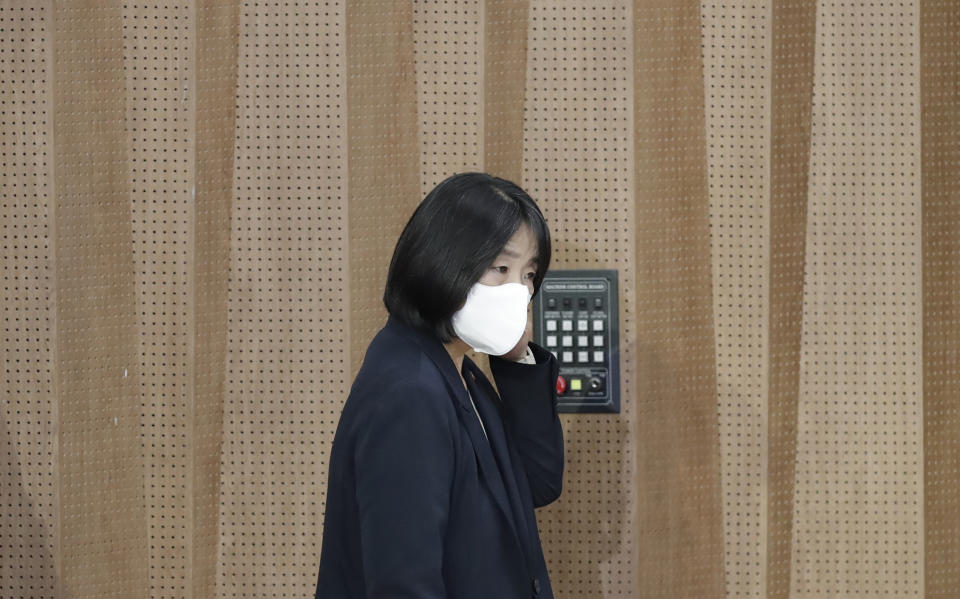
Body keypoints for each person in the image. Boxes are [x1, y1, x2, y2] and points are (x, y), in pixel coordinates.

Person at [314, 172, 564, 599]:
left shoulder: (459, 371)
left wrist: (514, 356)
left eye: (527, 275)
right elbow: (404, 583)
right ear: (444, 261)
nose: (518, 293)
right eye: (500, 268)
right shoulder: (410, 390)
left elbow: (535, 483)